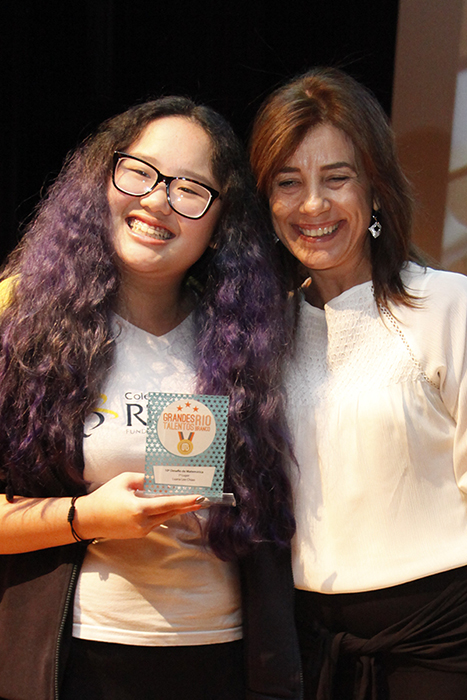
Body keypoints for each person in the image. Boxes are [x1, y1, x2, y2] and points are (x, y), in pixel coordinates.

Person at [0, 97, 302, 700]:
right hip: (77, 659)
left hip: (220, 659)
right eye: (139, 172)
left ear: (220, 225)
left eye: (190, 189)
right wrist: (86, 518)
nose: (159, 200)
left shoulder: (252, 340)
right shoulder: (20, 320)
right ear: (102, 180)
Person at [250, 66, 467, 700]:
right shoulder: (262, 335)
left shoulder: (448, 306)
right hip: (312, 650)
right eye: (288, 182)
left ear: (375, 190)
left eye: (336, 178)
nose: (312, 205)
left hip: (441, 647)